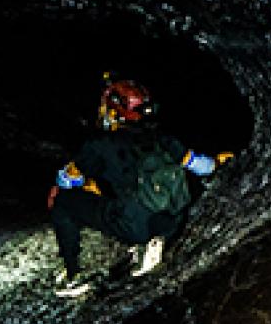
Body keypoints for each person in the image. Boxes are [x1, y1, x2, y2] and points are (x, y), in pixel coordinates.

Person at [47, 78, 227, 297]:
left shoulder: (100, 144)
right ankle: (154, 241)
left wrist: (65, 183)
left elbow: (67, 181)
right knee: (125, 189)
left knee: (62, 201)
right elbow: (203, 166)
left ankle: (72, 275)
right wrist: (217, 161)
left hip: (137, 226)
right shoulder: (162, 136)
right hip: (173, 222)